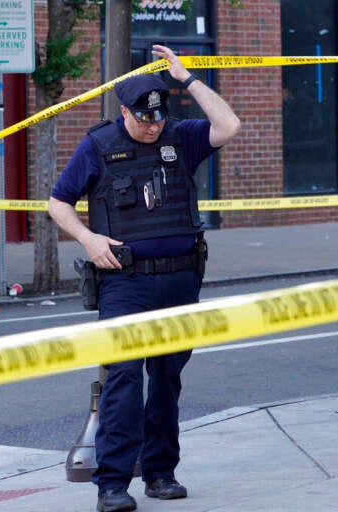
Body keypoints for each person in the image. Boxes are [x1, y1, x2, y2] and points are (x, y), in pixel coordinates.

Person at [48, 44, 240, 512]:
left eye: (157, 119)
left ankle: (160, 473)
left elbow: (230, 125)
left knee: (167, 380)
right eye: (142, 119)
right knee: (124, 381)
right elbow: (58, 203)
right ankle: (112, 484)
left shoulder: (183, 136)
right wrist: (89, 239)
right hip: (125, 284)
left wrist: (187, 78)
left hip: (179, 281)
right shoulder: (98, 145)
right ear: (124, 112)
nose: (152, 127)